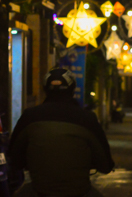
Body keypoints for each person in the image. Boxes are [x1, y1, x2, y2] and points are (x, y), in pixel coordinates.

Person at [8, 68, 115, 197]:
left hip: (39, 191)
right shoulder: (87, 119)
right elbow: (105, 165)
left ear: (45, 89)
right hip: (79, 192)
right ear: (72, 90)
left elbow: (14, 159)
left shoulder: (30, 116)